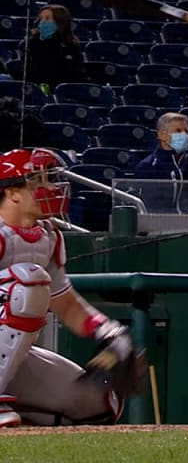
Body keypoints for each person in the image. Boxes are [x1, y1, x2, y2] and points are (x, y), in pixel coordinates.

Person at [0, 148, 140, 427]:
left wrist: (110, 333)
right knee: (26, 282)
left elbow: (65, 303)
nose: (51, 188)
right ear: (13, 192)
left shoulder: (48, 237)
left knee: (95, 403)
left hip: (12, 356)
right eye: (39, 181)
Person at [133, 112, 188, 214]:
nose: (184, 135)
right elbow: (150, 206)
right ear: (161, 135)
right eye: (178, 131)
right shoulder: (148, 166)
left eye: (186, 132)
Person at [23, 5, 82, 95]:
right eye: (41, 18)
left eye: (47, 18)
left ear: (60, 22)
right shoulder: (32, 42)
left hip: (65, 93)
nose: (42, 22)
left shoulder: (72, 45)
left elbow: (75, 74)